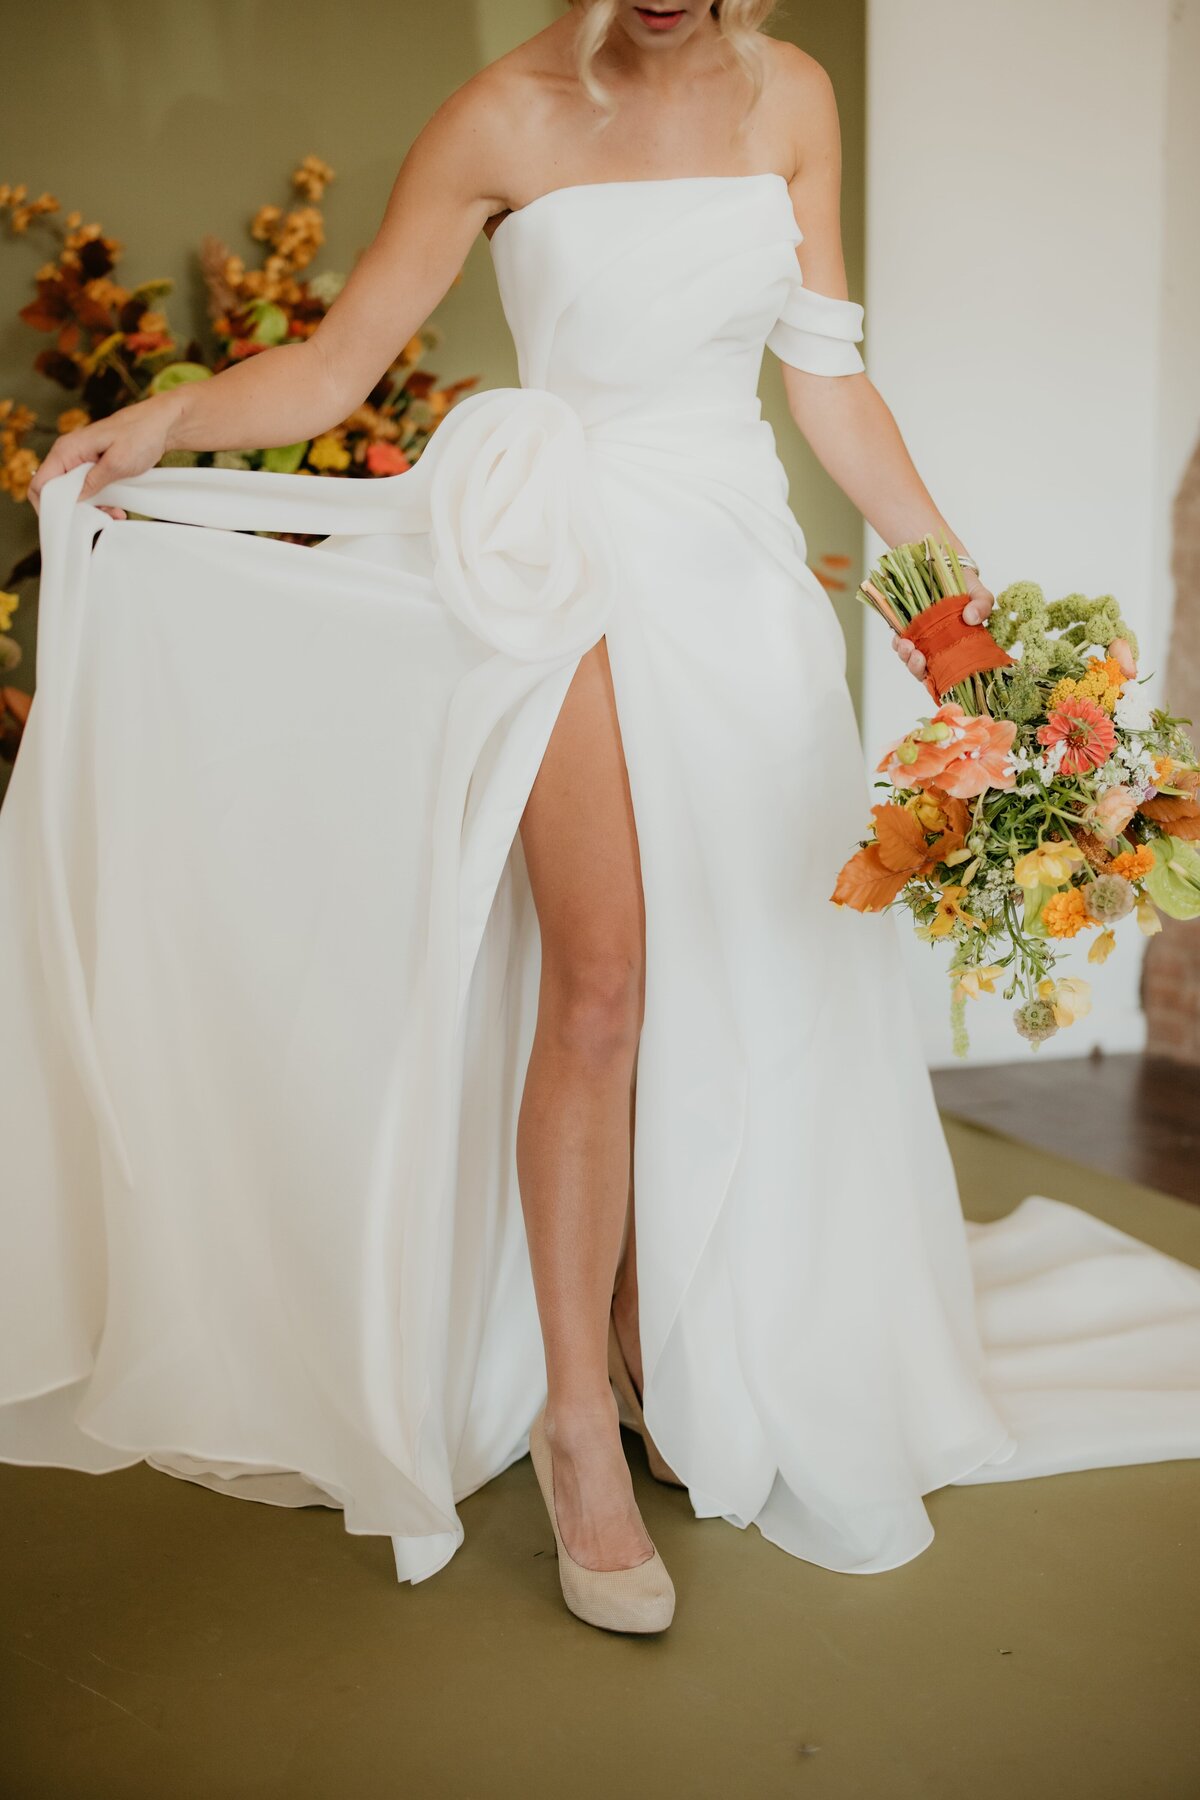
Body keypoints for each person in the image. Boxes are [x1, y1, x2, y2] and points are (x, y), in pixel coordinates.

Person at [6, 0, 1199, 1637]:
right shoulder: (498, 113)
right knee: (607, 980)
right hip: (556, 557)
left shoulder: (794, 98)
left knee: (756, 965)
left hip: (741, 580)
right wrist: (160, 421)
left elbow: (833, 392)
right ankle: (578, 1425)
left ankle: (671, 1345)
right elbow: (342, 363)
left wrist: (964, 645)